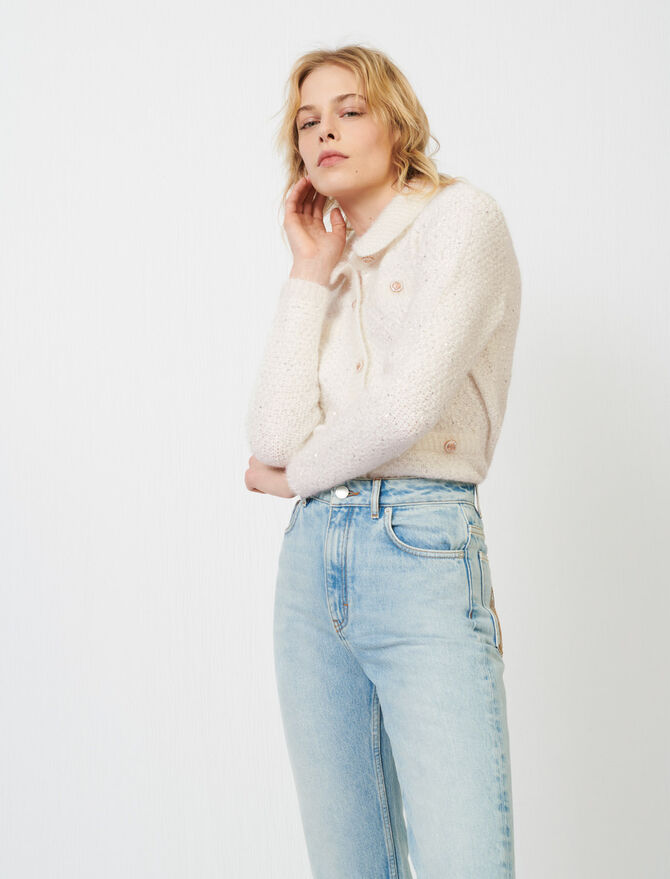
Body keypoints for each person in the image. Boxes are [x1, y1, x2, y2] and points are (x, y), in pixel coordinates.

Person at [244, 44, 521, 879]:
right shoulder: (327, 269)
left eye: (349, 111)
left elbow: (406, 407)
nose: (323, 132)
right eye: (307, 122)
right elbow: (272, 436)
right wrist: (307, 272)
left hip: (420, 545)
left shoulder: (462, 220)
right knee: (348, 864)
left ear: (398, 127)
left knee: (466, 859)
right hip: (310, 563)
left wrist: (295, 478)